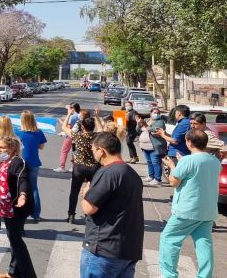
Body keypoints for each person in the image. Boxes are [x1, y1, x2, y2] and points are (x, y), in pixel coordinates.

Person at [80, 132, 144, 278]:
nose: (93, 154)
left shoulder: (108, 173)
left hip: (104, 249)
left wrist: (86, 193)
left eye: (94, 150)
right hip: (128, 249)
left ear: (101, 151)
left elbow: (89, 208)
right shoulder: (131, 174)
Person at [159, 129, 221, 278]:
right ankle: (205, 275)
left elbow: (174, 181)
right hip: (207, 210)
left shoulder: (188, 160)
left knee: (169, 239)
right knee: (204, 244)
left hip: (187, 209)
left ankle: (169, 275)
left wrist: (173, 166)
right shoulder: (214, 161)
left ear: (189, 142)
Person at [0, 136, 37, 278]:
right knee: (13, 239)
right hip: (5, 207)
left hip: (16, 207)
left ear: (11, 149)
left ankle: (28, 274)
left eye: (3, 147)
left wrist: (23, 195)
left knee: (16, 241)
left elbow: (22, 179)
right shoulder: (1, 161)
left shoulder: (18, 162)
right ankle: (13, 272)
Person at [60, 110, 98, 224]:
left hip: (79, 167)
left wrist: (68, 114)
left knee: (74, 191)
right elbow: (101, 129)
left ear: (82, 126)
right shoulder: (97, 136)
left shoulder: (77, 136)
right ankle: (89, 214)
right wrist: (97, 117)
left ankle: (71, 214)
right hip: (93, 167)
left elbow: (63, 127)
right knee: (91, 191)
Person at [15, 110, 46, 221]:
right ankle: (36, 213)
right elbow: (41, 146)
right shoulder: (38, 132)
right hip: (34, 162)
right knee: (33, 188)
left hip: (21, 164)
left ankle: (21, 212)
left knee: (20, 188)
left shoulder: (18, 132)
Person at [55, 103, 80, 173]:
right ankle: (74, 166)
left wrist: (63, 131)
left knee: (64, 151)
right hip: (76, 135)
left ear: (72, 108)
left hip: (70, 136)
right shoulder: (78, 115)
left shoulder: (72, 116)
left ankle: (62, 166)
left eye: (69, 108)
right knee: (74, 151)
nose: (67, 110)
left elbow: (68, 128)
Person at [147, 108, 168, 183]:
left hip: (157, 146)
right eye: (154, 112)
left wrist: (148, 127)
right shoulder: (148, 120)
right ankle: (151, 176)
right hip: (146, 146)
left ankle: (157, 178)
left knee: (156, 162)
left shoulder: (160, 121)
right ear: (150, 113)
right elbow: (138, 129)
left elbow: (156, 129)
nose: (155, 114)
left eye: (157, 112)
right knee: (150, 162)